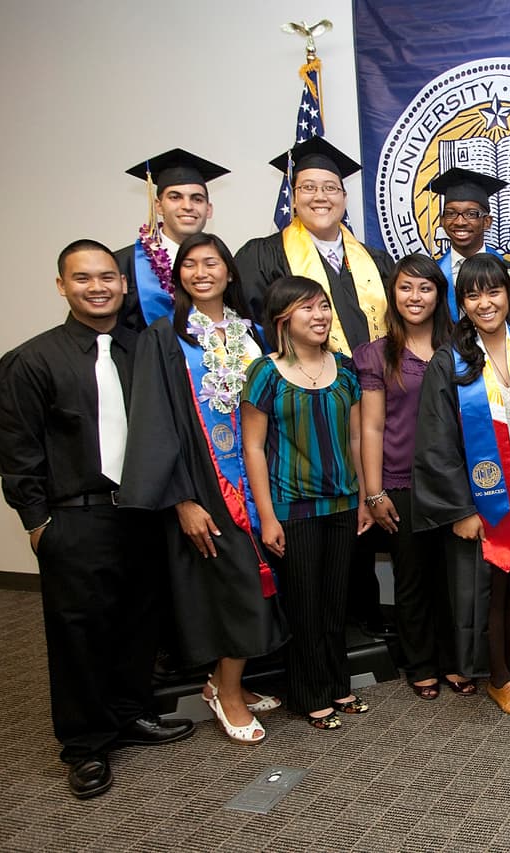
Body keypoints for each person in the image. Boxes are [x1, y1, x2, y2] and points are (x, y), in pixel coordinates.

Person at [0, 239, 194, 799]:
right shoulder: (31, 360)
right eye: (83, 278)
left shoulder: (144, 351)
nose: (98, 287)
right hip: (75, 517)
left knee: (139, 621)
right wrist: (37, 524)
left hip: (143, 512)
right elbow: (17, 451)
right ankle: (85, 745)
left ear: (124, 284)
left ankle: (130, 714)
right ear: (62, 286)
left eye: (107, 277)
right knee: (79, 632)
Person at [119, 232, 290, 744]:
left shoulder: (253, 334)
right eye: (190, 265)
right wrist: (182, 499)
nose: (201, 272)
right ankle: (227, 692)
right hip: (206, 482)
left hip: (258, 476)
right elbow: (154, 422)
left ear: (229, 272)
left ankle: (225, 677)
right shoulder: (163, 338)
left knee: (257, 581)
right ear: (178, 277)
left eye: (211, 263)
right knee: (236, 584)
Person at [413, 254, 510, 717]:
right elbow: (436, 440)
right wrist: (460, 509)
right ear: (461, 303)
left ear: (508, 294)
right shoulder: (449, 360)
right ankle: (497, 677)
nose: (485, 302)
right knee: (493, 588)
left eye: (493, 291)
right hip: (482, 496)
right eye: (472, 294)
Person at [241, 275, 374, 731]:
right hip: (292, 509)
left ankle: (338, 685)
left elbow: (356, 437)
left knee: (336, 603)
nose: (319, 316)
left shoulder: (345, 368)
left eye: (323, 307)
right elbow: (253, 449)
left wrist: (362, 499)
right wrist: (266, 516)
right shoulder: (264, 373)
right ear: (283, 320)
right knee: (305, 607)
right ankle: (308, 693)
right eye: (307, 309)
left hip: (342, 506)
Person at [353, 253, 462, 699]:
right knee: (412, 577)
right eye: (405, 288)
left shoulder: (460, 350)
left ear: (439, 295)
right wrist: (373, 491)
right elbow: (371, 427)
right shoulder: (378, 355)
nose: (414, 297)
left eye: (425, 288)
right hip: (400, 481)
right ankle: (421, 664)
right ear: (392, 295)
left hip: (454, 482)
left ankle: (457, 659)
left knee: (455, 577)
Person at [235, 135, 393, 357]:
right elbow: (250, 331)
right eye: (308, 187)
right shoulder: (261, 257)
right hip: (301, 385)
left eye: (330, 188)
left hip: (377, 385)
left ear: (344, 197)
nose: (320, 197)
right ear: (293, 198)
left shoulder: (377, 261)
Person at [117, 149, 228, 332]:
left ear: (208, 210)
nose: (187, 206)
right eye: (175, 197)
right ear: (158, 206)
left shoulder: (221, 265)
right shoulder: (126, 264)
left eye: (197, 199)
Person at [429, 167, 507, 320]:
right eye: (450, 213)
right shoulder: (432, 275)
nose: (459, 222)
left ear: (486, 222)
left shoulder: (509, 272)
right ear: (442, 221)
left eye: (471, 214)